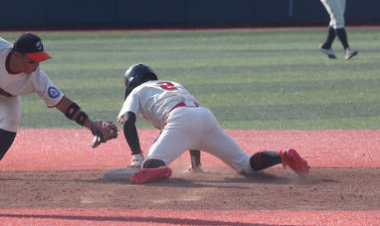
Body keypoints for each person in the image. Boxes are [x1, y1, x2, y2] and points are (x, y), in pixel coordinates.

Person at [0, 22, 117, 180]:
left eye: (39, 60)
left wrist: (91, 125)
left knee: (12, 119)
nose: (36, 66)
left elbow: (63, 104)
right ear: (17, 55)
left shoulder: (36, 77)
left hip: (2, 95)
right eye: (32, 61)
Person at [116, 64, 310, 184]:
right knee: (245, 165)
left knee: (148, 165)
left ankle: (159, 168)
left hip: (179, 118)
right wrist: (196, 167)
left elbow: (128, 120)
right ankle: (283, 156)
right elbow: (191, 133)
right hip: (205, 116)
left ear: (131, 82)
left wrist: (136, 156)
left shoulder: (137, 91)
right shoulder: (173, 84)